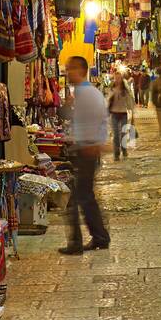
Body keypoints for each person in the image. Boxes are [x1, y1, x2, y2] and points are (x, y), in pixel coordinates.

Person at [61, 55, 110, 254]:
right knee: (84, 197)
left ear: (81, 70)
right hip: (85, 150)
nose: (67, 72)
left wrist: (92, 143)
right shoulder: (84, 93)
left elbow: (97, 120)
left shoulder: (88, 94)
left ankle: (80, 243)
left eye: (70, 68)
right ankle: (99, 237)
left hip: (86, 152)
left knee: (79, 198)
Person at [107, 75, 134, 160]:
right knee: (115, 135)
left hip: (123, 114)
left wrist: (132, 112)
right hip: (114, 114)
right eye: (116, 78)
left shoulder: (125, 91)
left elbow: (129, 101)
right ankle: (116, 153)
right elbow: (108, 100)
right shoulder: (112, 89)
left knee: (123, 134)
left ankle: (124, 149)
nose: (117, 80)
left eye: (119, 78)